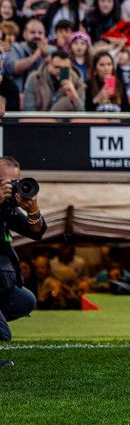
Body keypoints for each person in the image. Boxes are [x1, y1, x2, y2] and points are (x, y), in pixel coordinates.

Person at [0, 156, 45, 367]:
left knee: (24, 300)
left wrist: (33, 210)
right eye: (5, 182)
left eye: (15, 182)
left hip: (4, 280)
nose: (12, 187)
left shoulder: (7, 208)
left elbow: (35, 232)